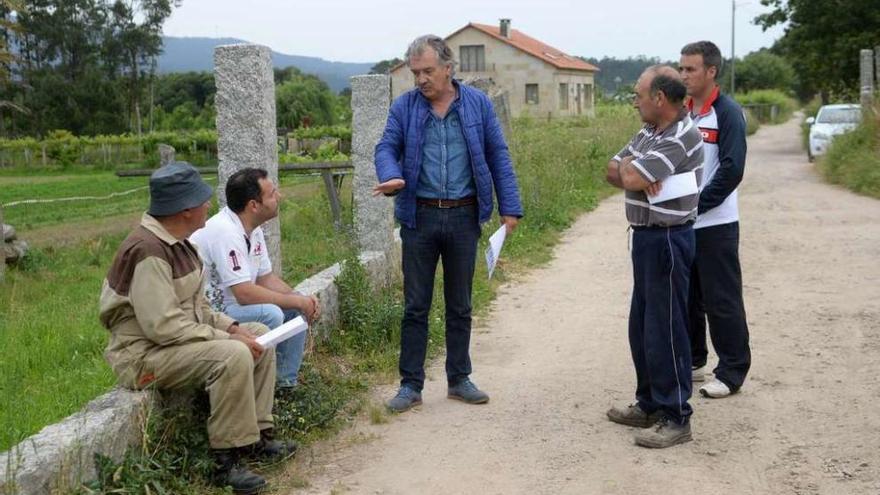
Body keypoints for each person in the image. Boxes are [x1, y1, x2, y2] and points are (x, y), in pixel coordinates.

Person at [99, 162, 294, 494]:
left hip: (169, 346)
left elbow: (199, 308)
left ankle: (259, 435)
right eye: (203, 200)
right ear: (186, 210)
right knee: (232, 355)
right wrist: (227, 339)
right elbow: (163, 325)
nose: (209, 205)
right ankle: (226, 460)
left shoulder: (181, 244)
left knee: (258, 334)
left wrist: (233, 326)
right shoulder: (148, 251)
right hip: (142, 357)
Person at [373, 34, 523, 413]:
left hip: (463, 215)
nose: (421, 79)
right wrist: (390, 174)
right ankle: (410, 385)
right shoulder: (404, 107)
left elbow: (497, 155)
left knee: (460, 303)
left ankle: (459, 378)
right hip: (419, 216)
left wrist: (511, 208)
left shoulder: (477, 105)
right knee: (415, 305)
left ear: (448, 68)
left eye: (427, 71)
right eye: (415, 73)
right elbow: (386, 146)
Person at [604, 66, 704, 448]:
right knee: (642, 325)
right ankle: (648, 402)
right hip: (645, 238)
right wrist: (636, 170)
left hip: (668, 239)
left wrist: (633, 171)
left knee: (667, 328)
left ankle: (676, 415)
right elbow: (613, 170)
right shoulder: (650, 133)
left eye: (638, 94)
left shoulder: (681, 136)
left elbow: (626, 177)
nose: (634, 101)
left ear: (659, 98)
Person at [190, 167, 320, 391]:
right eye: (272, 194)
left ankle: (284, 385)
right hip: (211, 311)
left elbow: (265, 278)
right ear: (253, 205)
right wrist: (296, 301)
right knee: (271, 313)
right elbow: (245, 293)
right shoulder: (225, 232)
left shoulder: (252, 228)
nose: (279, 197)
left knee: (295, 310)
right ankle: (252, 387)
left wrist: (301, 299)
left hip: (232, 306)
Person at [679, 41, 751, 398]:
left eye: (691, 69)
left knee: (721, 299)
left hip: (716, 224)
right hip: (683, 222)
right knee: (688, 297)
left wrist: (696, 205)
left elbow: (732, 169)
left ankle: (732, 371)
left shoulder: (728, 113)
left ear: (711, 71)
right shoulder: (684, 112)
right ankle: (694, 359)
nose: (684, 76)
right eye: (681, 69)